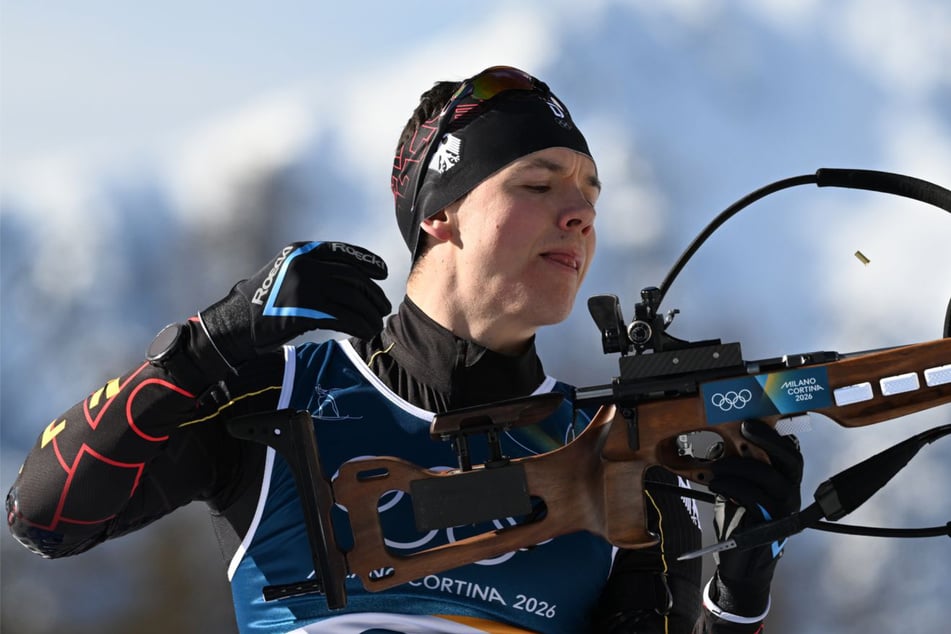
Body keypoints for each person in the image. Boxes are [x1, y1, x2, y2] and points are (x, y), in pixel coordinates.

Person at [7, 66, 802, 633]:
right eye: (538, 183)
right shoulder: (283, 401)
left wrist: (739, 593)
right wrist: (205, 347)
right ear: (440, 214)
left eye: (591, 191)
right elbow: (45, 516)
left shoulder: (615, 458)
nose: (579, 213)